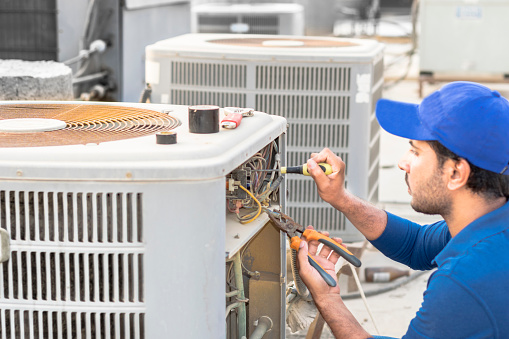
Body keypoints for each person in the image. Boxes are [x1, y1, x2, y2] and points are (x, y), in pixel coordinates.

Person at [296, 81, 509, 338]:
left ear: (455, 173)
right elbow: (416, 244)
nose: (402, 162)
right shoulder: (489, 214)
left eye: (415, 151)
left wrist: (327, 297)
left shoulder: (464, 281)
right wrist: (341, 198)